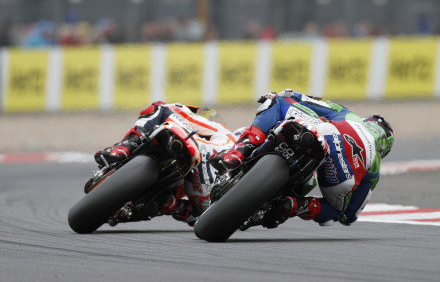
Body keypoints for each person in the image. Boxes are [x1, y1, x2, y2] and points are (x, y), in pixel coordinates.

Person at [211, 89, 394, 228]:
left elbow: (306, 100)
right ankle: (296, 205)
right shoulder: (375, 166)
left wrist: (289, 94)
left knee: (278, 100)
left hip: (330, 133)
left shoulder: (351, 117)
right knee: (339, 211)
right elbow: (350, 216)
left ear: (368, 121)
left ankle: (238, 151)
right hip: (343, 174)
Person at [95, 101, 236, 226]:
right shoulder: (224, 143)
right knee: (162, 206)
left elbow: (161, 108)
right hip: (202, 199)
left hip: (197, 170)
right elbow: (198, 218)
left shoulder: (217, 130)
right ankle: (160, 206)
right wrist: (175, 207)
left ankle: (124, 146)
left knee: (158, 107)